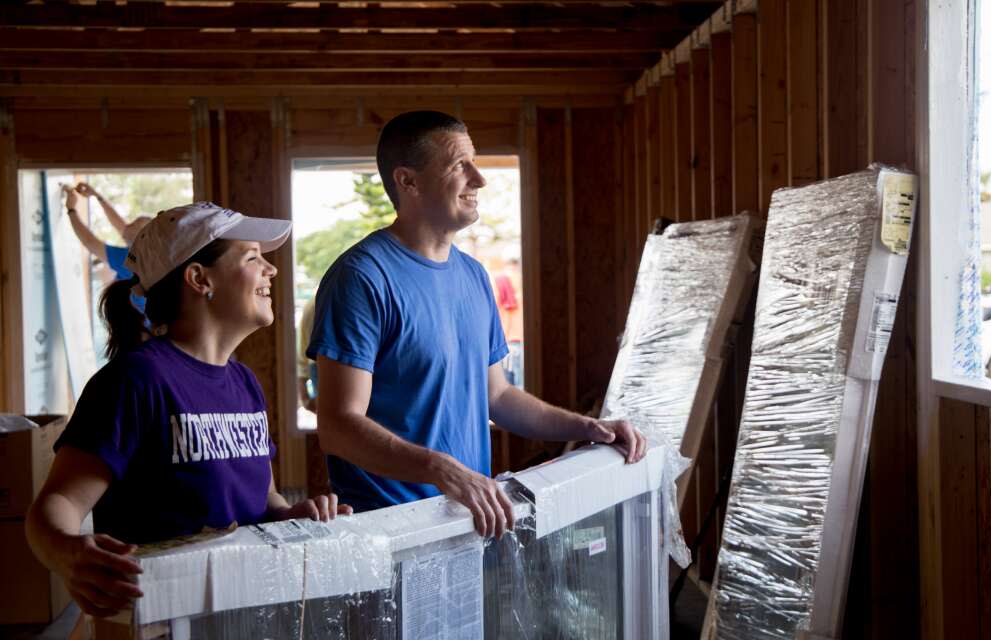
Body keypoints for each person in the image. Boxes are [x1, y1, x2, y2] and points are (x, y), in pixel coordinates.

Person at [307, 111, 647, 540]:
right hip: (388, 532)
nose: (479, 179)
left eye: (474, 162)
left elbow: (498, 395)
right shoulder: (361, 277)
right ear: (407, 182)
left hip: (465, 523)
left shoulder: (472, 276)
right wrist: (441, 468)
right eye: (458, 166)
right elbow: (338, 427)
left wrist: (588, 427)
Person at [25, 202, 350, 618]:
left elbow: (262, 498)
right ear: (199, 279)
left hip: (239, 615)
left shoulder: (245, 383)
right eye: (253, 257)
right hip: (161, 620)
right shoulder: (135, 381)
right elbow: (55, 507)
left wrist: (290, 515)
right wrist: (68, 554)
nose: (271, 270)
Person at [62, 182, 150, 313]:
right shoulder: (145, 255)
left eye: (135, 223)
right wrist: (97, 196)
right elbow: (120, 225)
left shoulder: (131, 260)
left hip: (137, 328)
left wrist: (71, 209)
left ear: (140, 237)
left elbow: (90, 242)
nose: (128, 224)